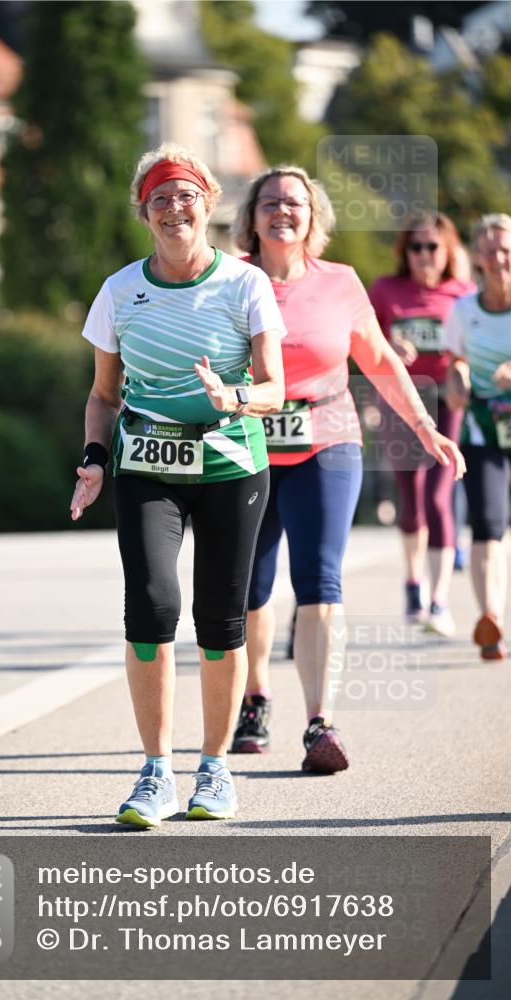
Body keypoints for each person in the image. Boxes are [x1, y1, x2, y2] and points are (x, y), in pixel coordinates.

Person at [70, 143, 285, 826]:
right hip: (146, 465)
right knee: (151, 606)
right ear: (144, 212)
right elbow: (103, 396)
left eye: (185, 194)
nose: (173, 208)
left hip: (231, 466)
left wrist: (235, 398)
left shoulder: (245, 284)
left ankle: (215, 769)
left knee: (220, 620)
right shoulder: (118, 292)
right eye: (158, 198)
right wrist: (94, 458)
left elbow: (275, 389)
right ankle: (156, 771)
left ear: (209, 203)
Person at [229, 166, 466, 767]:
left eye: (295, 202)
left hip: (326, 440)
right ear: (251, 218)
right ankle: (255, 696)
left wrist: (424, 425)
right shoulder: (230, 279)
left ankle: (320, 722)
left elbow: (380, 358)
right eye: (270, 202)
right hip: (246, 446)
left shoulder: (339, 282)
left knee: (320, 581)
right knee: (251, 585)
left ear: (314, 217)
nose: (283, 211)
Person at [369, 215, 476, 634]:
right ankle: (413, 582)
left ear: (448, 251)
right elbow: (363, 342)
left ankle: (439, 600)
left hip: (446, 402)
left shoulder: (462, 294)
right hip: (400, 403)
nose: (424, 255)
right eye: (416, 247)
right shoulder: (386, 290)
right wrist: (389, 347)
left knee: (438, 498)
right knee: (412, 503)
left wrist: (462, 367)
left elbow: (474, 346)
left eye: (433, 247)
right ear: (405, 252)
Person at [445, 213, 511, 660]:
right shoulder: (464, 310)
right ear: (479, 258)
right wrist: (458, 380)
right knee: (487, 525)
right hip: (483, 431)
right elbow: (456, 360)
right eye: (490, 251)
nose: (499, 258)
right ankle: (491, 620)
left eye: (505, 249)